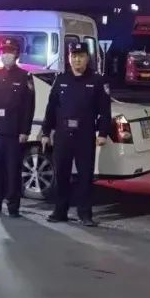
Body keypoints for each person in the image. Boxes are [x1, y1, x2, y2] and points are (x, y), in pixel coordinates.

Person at [40, 39, 112, 226]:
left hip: (84, 136)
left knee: (85, 176)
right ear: (69, 58)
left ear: (87, 58)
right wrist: (46, 132)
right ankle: (60, 211)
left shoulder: (97, 80)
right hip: (63, 135)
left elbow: (105, 111)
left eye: (80, 56)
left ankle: (85, 214)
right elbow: (51, 108)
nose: (77, 60)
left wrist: (103, 133)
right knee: (61, 175)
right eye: (74, 56)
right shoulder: (61, 79)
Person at [0, 38, 34, 217]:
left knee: (12, 171)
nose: (6, 55)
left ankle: (13, 206)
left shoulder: (24, 76)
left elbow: (29, 107)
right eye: (3, 52)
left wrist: (25, 131)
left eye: (10, 52)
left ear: (17, 54)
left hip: (14, 132)